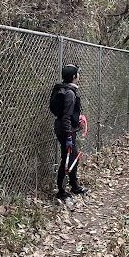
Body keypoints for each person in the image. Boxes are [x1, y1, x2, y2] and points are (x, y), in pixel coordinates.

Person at [51, 64, 87, 204]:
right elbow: (66, 116)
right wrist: (68, 137)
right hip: (66, 130)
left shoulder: (63, 89)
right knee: (67, 160)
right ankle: (61, 191)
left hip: (64, 128)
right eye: (77, 74)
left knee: (73, 158)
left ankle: (74, 186)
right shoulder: (70, 93)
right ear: (74, 77)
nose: (79, 76)